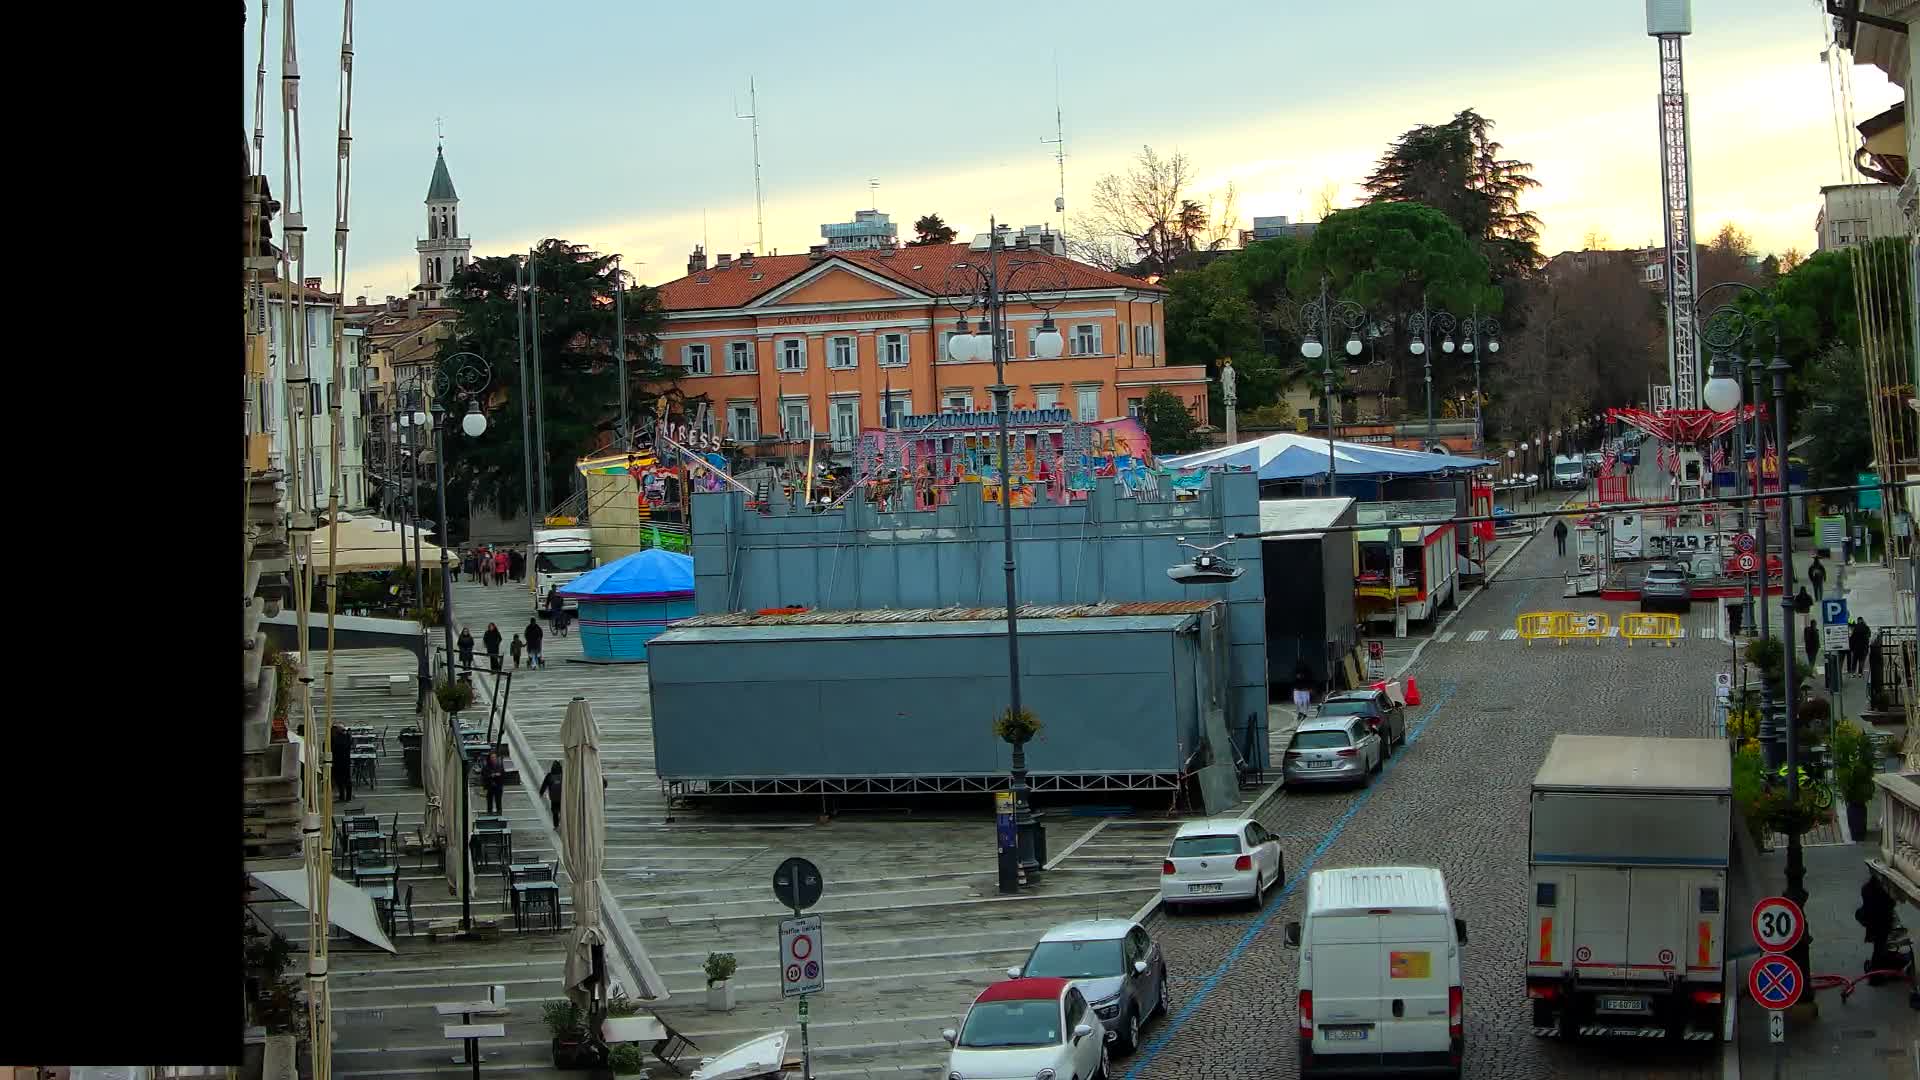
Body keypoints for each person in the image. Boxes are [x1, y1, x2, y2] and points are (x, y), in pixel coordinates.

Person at [1855, 874, 1909, 984]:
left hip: (1876, 912)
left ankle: (1879, 970)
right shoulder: (1880, 897)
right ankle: (1877, 974)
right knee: (1881, 938)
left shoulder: (1869, 888)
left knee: (1881, 940)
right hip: (1879, 915)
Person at [330, 723, 354, 805]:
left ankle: (346, 797)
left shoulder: (341, 738)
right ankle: (344, 796)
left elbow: (335, 747)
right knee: (342, 780)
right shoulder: (345, 737)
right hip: (341, 761)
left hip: (341, 762)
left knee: (344, 780)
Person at [481, 751, 507, 815]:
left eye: (495, 757)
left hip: (498, 786)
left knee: (498, 800)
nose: (494, 759)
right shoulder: (486, 766)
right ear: (489, 758)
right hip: (490, 786)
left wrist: (499, 775)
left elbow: (503, 775)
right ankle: (489, 812)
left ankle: (499, 812)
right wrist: (492, 775)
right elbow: (484, 775)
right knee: (489, 800)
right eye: (492, 757)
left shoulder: (499, 766)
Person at [538, 761, 564, 827]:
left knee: (555, 812)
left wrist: (541, 793)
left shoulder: (549, 776)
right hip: (562, 797)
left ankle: (556, 825)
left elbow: (544, 785)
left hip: (553, 798)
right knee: (563, 810)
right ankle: (563, 823)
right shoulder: (563, 775)